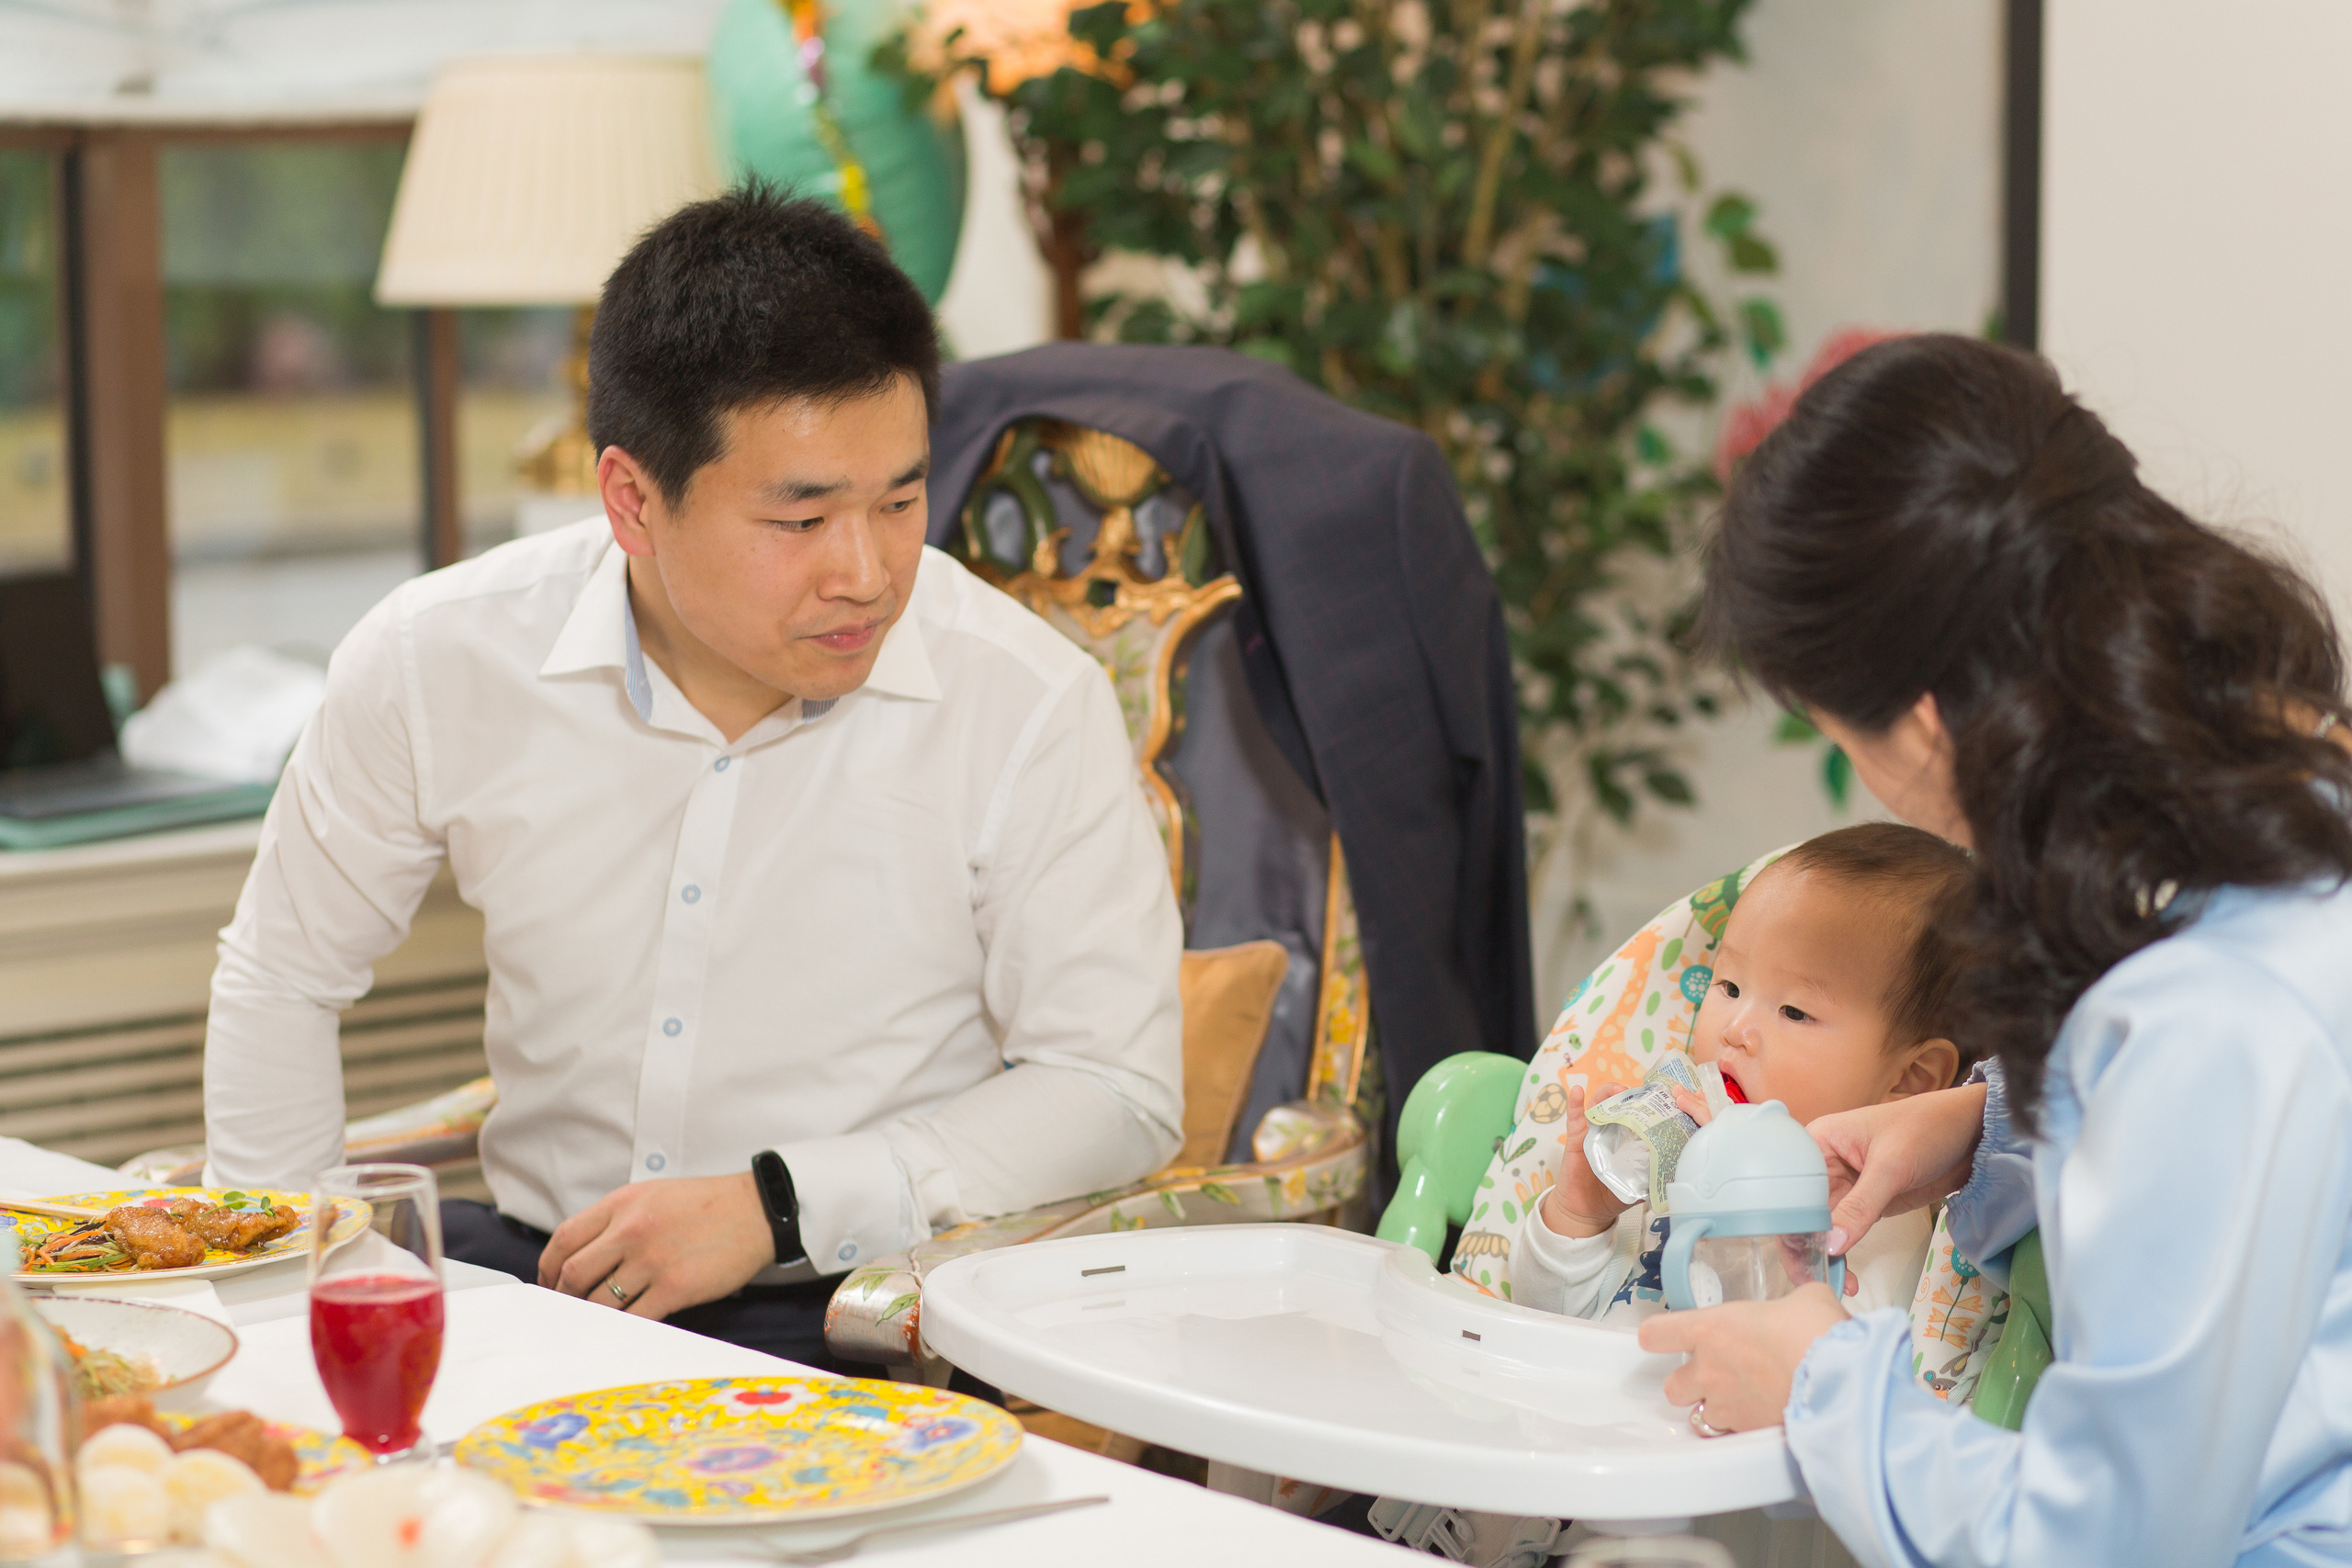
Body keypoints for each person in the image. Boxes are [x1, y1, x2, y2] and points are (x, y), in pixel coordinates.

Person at [199, 186, 1184, 1369]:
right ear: (632, 499)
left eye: (901, 500)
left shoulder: (1022, 698)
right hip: (536, 1277)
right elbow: (281, 974)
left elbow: (1113, 1087)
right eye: (801, 518)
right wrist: (302, 1286)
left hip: (858, 1309)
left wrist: (777, 1205)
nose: (867, 574)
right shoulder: (438, 656)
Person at [1640, 333, 2352, 1565]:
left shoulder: (2206, 1015)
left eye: (1838, 736)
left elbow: (2107, 1541)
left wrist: (1821, 1378)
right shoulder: (2298, 792)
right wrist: (1989, 1127)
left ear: (1925, 725)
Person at [1516, 823, 1970, 1324]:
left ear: (1909, 1081)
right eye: (1729, 986)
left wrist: (1741, 1180)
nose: (1735, 1030)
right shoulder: (1663, 1162)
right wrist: (1581, 1214)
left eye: (1795, 1012)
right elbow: (1541, 1323)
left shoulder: (1872, 1217)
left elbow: (1820, 1369)